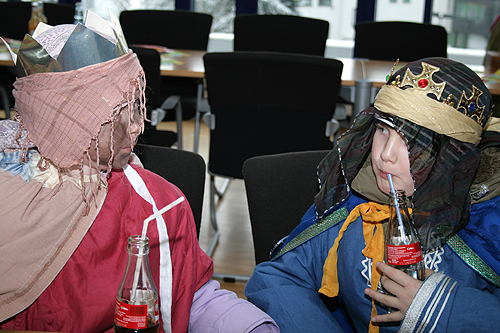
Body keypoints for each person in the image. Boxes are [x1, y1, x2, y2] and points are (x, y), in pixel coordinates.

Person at [0, 16, 279, 333]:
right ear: (70, 119)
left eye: (138, 105)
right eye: (120, 113)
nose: (138, 126)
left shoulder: (158, 205)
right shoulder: (7, 197)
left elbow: (191, 294)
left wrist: (249, 326)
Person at [245, 57, 500, 332]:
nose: (384, 154)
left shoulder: (488, 222)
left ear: (455, 156)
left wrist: (442, 306)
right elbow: (278, 277)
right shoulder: (351, 204)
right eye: (382, 130)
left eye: (411, 143)